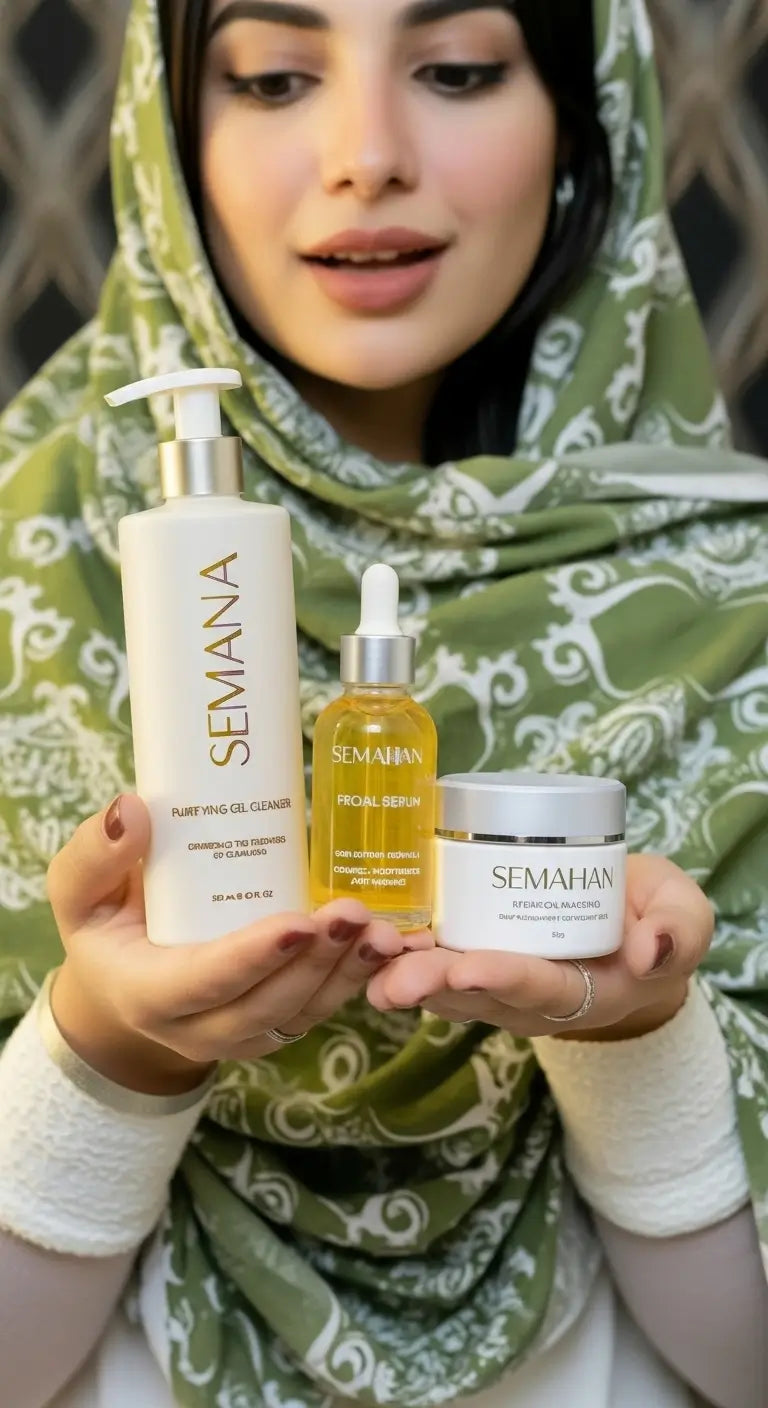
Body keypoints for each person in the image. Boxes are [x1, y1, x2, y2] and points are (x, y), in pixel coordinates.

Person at [0, 0, 767, 1405]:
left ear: (586, 122)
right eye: (273, 78)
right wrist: (112, 1048)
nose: (368, 153)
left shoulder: (743, 592)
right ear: (168, 139)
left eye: (458, 70)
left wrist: (634, 1037)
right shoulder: (27, 565)